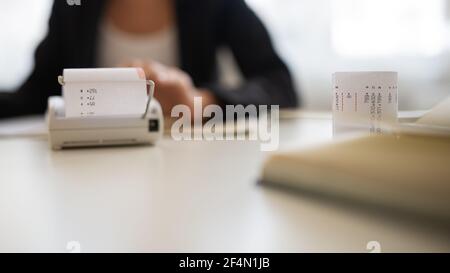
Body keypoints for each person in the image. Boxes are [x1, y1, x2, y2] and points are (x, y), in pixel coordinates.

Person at [0, 0, 298, 118]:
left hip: (191, 170)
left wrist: (196, 102)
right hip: (88, 175)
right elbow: (36, 95)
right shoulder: (73, 6)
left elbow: (281, 86)